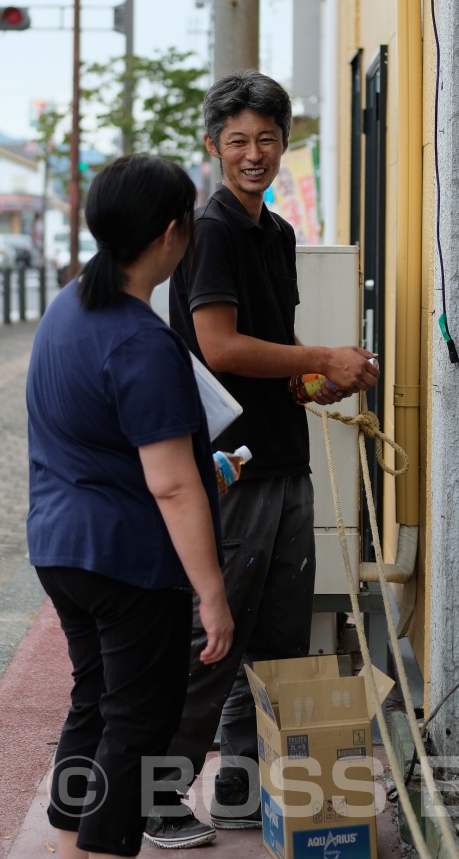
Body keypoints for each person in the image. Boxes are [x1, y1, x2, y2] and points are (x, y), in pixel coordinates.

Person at [144, 72, 378, 849]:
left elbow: (265, 350)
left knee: (277, 641)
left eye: (267, 138)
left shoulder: (274, 232)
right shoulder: (209, 232)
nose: (254, 153)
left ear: (285, 143)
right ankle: (162, 793)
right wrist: (321, 353)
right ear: (213, 147)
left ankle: (243, 786)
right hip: (229, 468)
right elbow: (216, 346)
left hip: (285, 460)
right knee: (214, 637)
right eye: (238, 140)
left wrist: (313, 377)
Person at [26, 155, 233, 859]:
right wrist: (213, 595)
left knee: (96, 702)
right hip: (125, 559)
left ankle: (68, 847)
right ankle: (102, 848)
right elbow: (171, 486)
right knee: (138, 725)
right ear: (173, 233)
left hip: (60, 546)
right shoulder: (141, 340)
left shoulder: (67, 306)